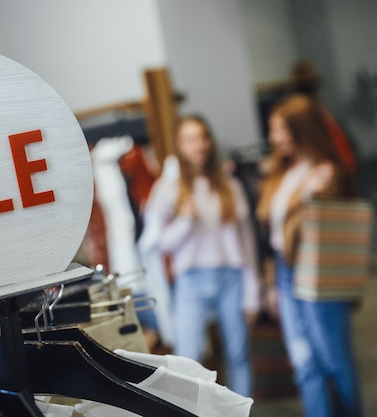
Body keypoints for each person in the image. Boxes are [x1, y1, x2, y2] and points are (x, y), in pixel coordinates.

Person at [256, 94, 361, 417]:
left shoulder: (328, 174)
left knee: (334, 361)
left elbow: (341, 235)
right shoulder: (281, 172)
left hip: (319, 273)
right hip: (287, 277)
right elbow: (272, 237)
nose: (273, 138)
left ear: (301, 130)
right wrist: (272, 284)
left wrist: (315, 196)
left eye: (280, 130)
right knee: (303, 363)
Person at [140, 114, 260, 396]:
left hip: (231, 278)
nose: (200, 145)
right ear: (180, 146)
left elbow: (247, 242)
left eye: (203, 137)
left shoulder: (230, 185)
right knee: (188, 358)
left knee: (238, 353)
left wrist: (253, 291)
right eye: (191, 139)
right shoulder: (168, 188)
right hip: (191, 280)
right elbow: (160, 244)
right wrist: (184, 220)